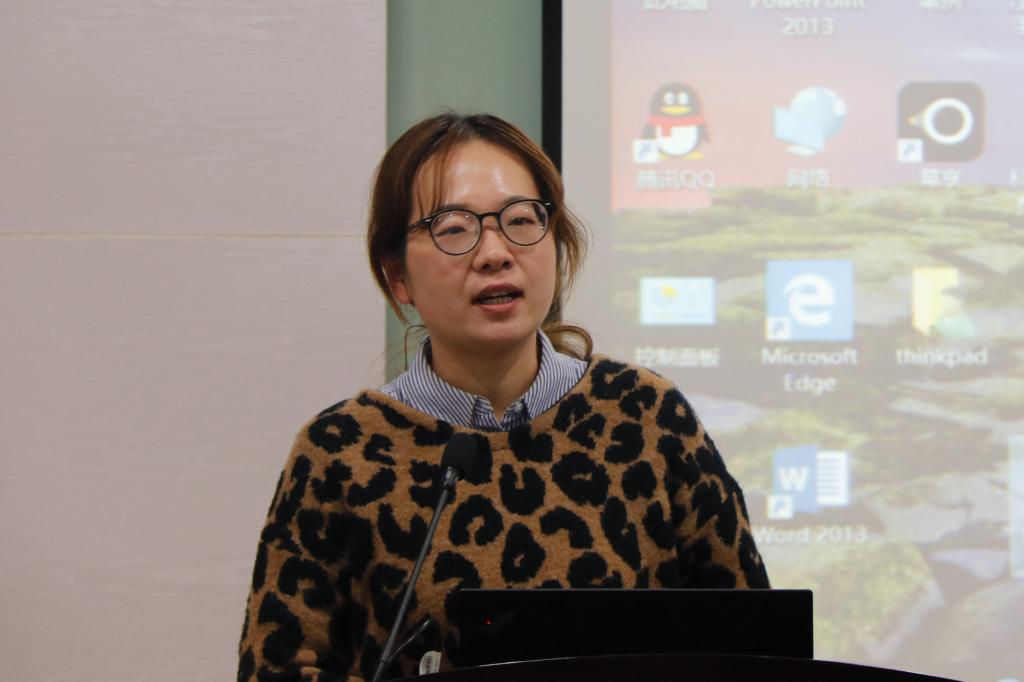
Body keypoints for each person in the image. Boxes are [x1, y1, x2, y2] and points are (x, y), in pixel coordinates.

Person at [237, 112, 770, 682]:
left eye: (520, 220)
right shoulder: (340, 452)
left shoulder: (645, 416)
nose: (495, 252)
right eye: (454, 228)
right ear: (397, 277)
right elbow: (276, 668)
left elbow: (757, 645)